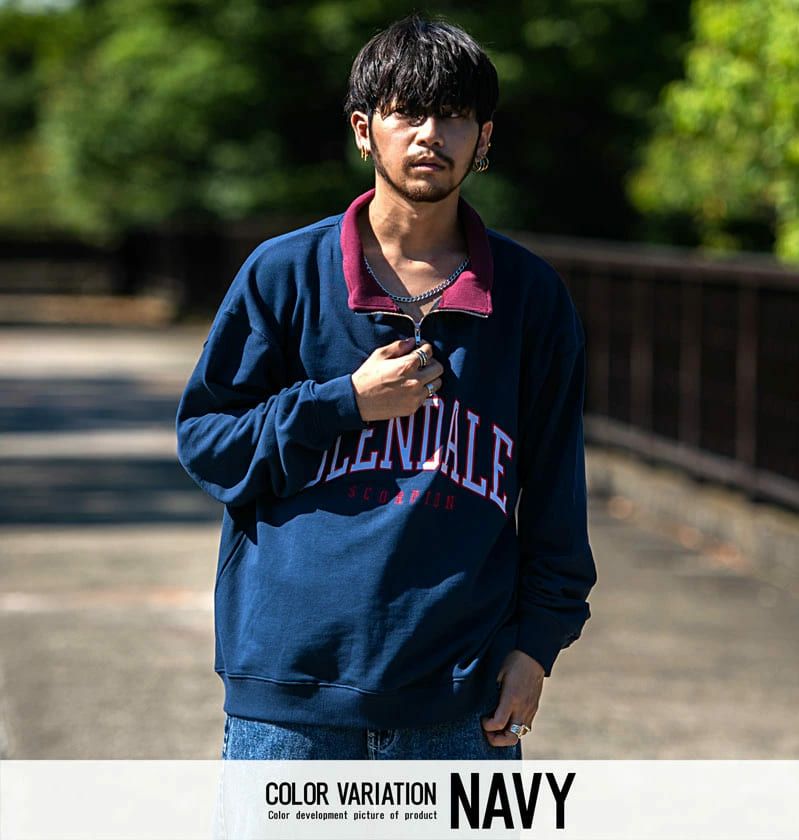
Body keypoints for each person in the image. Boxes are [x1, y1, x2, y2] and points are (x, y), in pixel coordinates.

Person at [176, 13, 596, 761]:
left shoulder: (530, 297)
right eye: (408, 113)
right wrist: (344, 403)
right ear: (364, 130)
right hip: (291, 699)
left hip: (460, 703)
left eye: (455, 116)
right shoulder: (283, 274)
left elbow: (556, 495)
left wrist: (536, 646)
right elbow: (208, 444)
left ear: (484, 139)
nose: (431, 134)